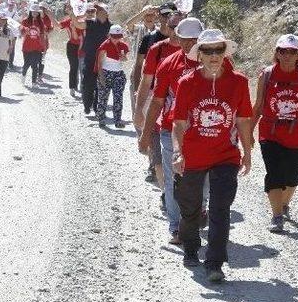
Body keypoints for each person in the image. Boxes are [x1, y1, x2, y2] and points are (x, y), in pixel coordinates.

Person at [171, 29, 252, 282]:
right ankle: (191, 246)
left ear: (225, 53)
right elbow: (179, 123)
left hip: (225, 156)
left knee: (220, 208)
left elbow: (243, 120)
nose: (214, 55)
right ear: (200, 55)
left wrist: (247, 153)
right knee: (190, 207)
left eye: (219, 50)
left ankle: (215, 262)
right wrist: (177, 152)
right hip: (193, 155)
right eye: (209, 51)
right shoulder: (187, 82)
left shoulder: (239, 82)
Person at [139, 17, 206, 244]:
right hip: (170, 128)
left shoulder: (216, 62)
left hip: (206, 131)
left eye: (194, 40)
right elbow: (157, 102)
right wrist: (145, 134)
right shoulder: (168, 63)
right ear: (176, 37)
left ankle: (200, 209)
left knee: (202, 178)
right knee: (172, 178)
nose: (189, 44)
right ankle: (176, 227)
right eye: (184, 39)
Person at [251, 34, 298, 233]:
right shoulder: (266, 75)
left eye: (292, 52)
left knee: (292, 178)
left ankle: (283, 205)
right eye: (283, 51)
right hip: (271, 132)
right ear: (277, 53)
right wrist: (248, 132)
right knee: (274, 174)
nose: (287, 55)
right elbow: (257, 107)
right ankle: (276, 216)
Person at [78, 3, 111, 115]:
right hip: (90, 58)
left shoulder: (111, 26)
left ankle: (98, 109)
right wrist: (72, 14)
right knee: (88, 83)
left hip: (104, 60)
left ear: (106, 13)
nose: (98, 13)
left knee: (101, 85)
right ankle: (87, 105)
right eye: (98, 11)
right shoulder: (91, 23)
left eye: (101, 11)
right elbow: (79, 25)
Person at [95, 25, 129, 128]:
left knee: (118, 98)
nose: (116, 39)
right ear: (110, 35)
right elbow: (99, 63)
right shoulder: (104, 46)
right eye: (114, 36)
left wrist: (123, 58)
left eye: (119, 36)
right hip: (106, 73)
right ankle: (101, 119)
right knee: (103, 98)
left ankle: (117, 121)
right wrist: (101, 77)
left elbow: (124, 60)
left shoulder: (123, 46)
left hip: (118, 74)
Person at [55, 3, 85, 97]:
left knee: (82, 68)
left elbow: (79, 38)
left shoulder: (83, 21)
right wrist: (49, 14)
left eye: (72, 9)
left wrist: (74, 29)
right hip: (72, 46)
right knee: (74, 67)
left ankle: (83, 87)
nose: (71, 11)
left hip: (83, 46)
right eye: (70, 9)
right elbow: (57, 26)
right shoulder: (68, 21)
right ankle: (72, 87)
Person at [20, 3, 47, 87]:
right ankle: (23, 76)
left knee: (35, 65)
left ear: (38, 13)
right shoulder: (25, 20)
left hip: (37, 47)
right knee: (27, 64)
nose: (35, 13)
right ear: (30, 12)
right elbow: (21, 31)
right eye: (33, 12)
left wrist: (43, 46)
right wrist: (25, 29)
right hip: (27, 46)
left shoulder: (40, 22)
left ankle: (33, 82)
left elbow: (42, 35)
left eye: (36, 12)